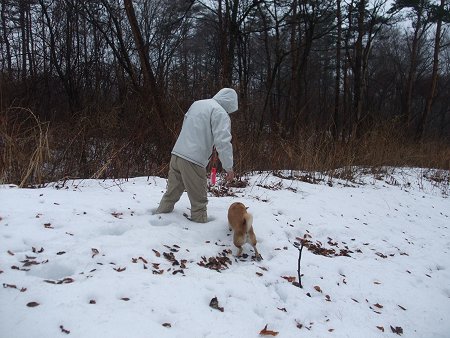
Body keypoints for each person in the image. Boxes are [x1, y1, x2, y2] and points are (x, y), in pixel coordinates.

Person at [154, 88, 238, 223]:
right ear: (230, 103)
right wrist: (229, 167)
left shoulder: (197, 104)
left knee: (171, 195)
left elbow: (187, 126)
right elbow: (223, 142)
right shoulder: (220, 113)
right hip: (193, 160)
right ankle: (199, 231)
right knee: (199, 202)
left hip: (177, 154)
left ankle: (158, 219)